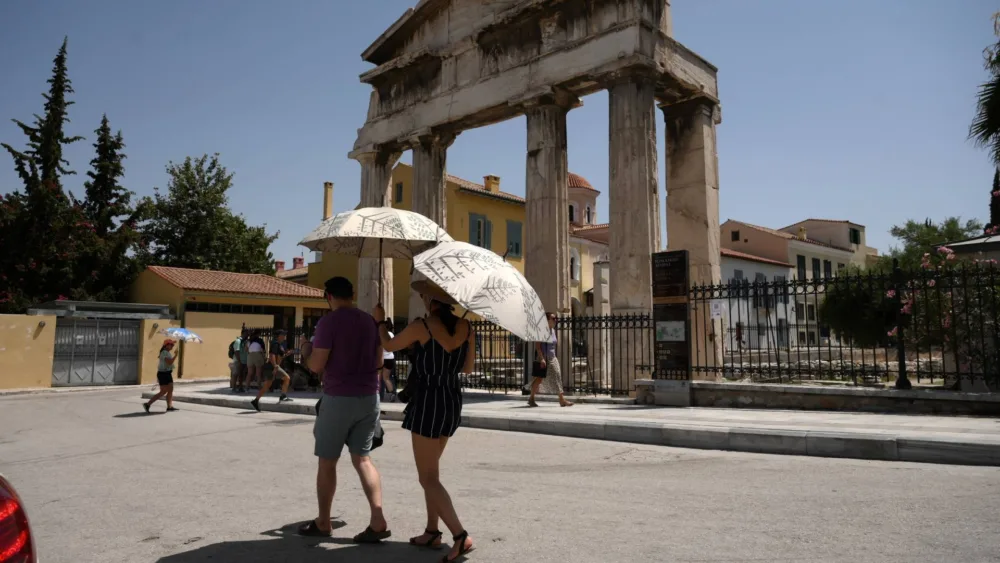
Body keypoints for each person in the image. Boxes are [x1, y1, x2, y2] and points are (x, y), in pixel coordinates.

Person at [374, 279, 475, 562]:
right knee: (433, 473)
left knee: (427, 477)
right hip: (452, 398)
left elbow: (389, 344)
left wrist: (380, 322)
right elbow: (467, 367)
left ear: (431, 300)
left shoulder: (423, 325)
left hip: (429, 399)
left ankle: (460, 535)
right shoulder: (467, 327)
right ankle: (432, 531)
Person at [298, 276, 390, 544]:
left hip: (338, 397)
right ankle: (377, 519)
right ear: (351, 295)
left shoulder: (328, 322)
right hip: (369, 396)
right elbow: (378, 361)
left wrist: (305, 347)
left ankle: (323, 522)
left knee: (327, 461)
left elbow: (315, 365)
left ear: (328, 296)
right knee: (363, 459)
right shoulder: (369, 321)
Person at [528, 312, 573, 408]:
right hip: (544, 358)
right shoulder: (541, 330)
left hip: (552, 358)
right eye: (553, 318)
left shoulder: (552, 330)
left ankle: (562, 400)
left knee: (557, 375)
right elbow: (538, 346)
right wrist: (542, 359)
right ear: (547, 320)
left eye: (555, 318)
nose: (555, 320)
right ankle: (531, 398)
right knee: (539, 379)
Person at [250, 329, 294, 411]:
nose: (285, 336)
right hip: (273, 367)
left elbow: (279, 356)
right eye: (283, 334)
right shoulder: (275, 344)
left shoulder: (278, 344)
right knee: (287, 378)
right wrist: (275, 366)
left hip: (273, 366)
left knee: (267, 385)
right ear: (279, 336)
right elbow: (271, 355)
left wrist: (286, 354)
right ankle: (283, 396)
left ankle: (255, 401)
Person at [144, 339, 179, 413]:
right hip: (164, 374)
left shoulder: (166, 352)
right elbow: (169, 362)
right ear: (166, 345)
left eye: (172, 345)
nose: (172, 346)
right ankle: (148, 404)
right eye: (171, 345)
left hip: (166, 373)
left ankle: (169, 406)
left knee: (168, 390)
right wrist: (176, 355)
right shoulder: (164, 353)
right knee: (164, 391)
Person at [380, 319, 397, 402]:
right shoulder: (391, 334)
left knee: (379, 378)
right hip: (390, 357)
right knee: (386, 378)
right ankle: (392, 393)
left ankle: (380, 396)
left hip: (383, 358)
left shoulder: (382, 334)